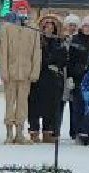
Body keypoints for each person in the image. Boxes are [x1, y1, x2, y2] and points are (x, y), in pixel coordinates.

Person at [0, 6, 42, 144]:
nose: (22, 12)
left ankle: (20, 132)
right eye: (19, 9)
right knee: (10, 103)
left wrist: (35, 71)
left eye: (24, 9)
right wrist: (3, 70)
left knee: (23, 104)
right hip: (10, 72)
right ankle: (9, 132)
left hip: (26, 72)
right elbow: (3, 52)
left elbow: (36, 52)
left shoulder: (33, 29)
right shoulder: (7, 28)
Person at [28, 15, 68, 143]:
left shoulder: (60, 42)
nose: (49, 27)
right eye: (46, 25)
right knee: (34, 105)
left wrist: (57, 65)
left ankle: (48, 131)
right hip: (38, 76)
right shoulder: (36, 40)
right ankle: (34, 130)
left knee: (51, 106)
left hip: (53, 78)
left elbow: (64, 58)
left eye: (52, 25)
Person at [63, 17, 89, 136]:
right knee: (77, 105)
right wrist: (70, 76)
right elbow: (70, 59)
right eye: (85, 26)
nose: (87, 29)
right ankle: (77, 131)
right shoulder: (75, 40)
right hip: (78, 77)